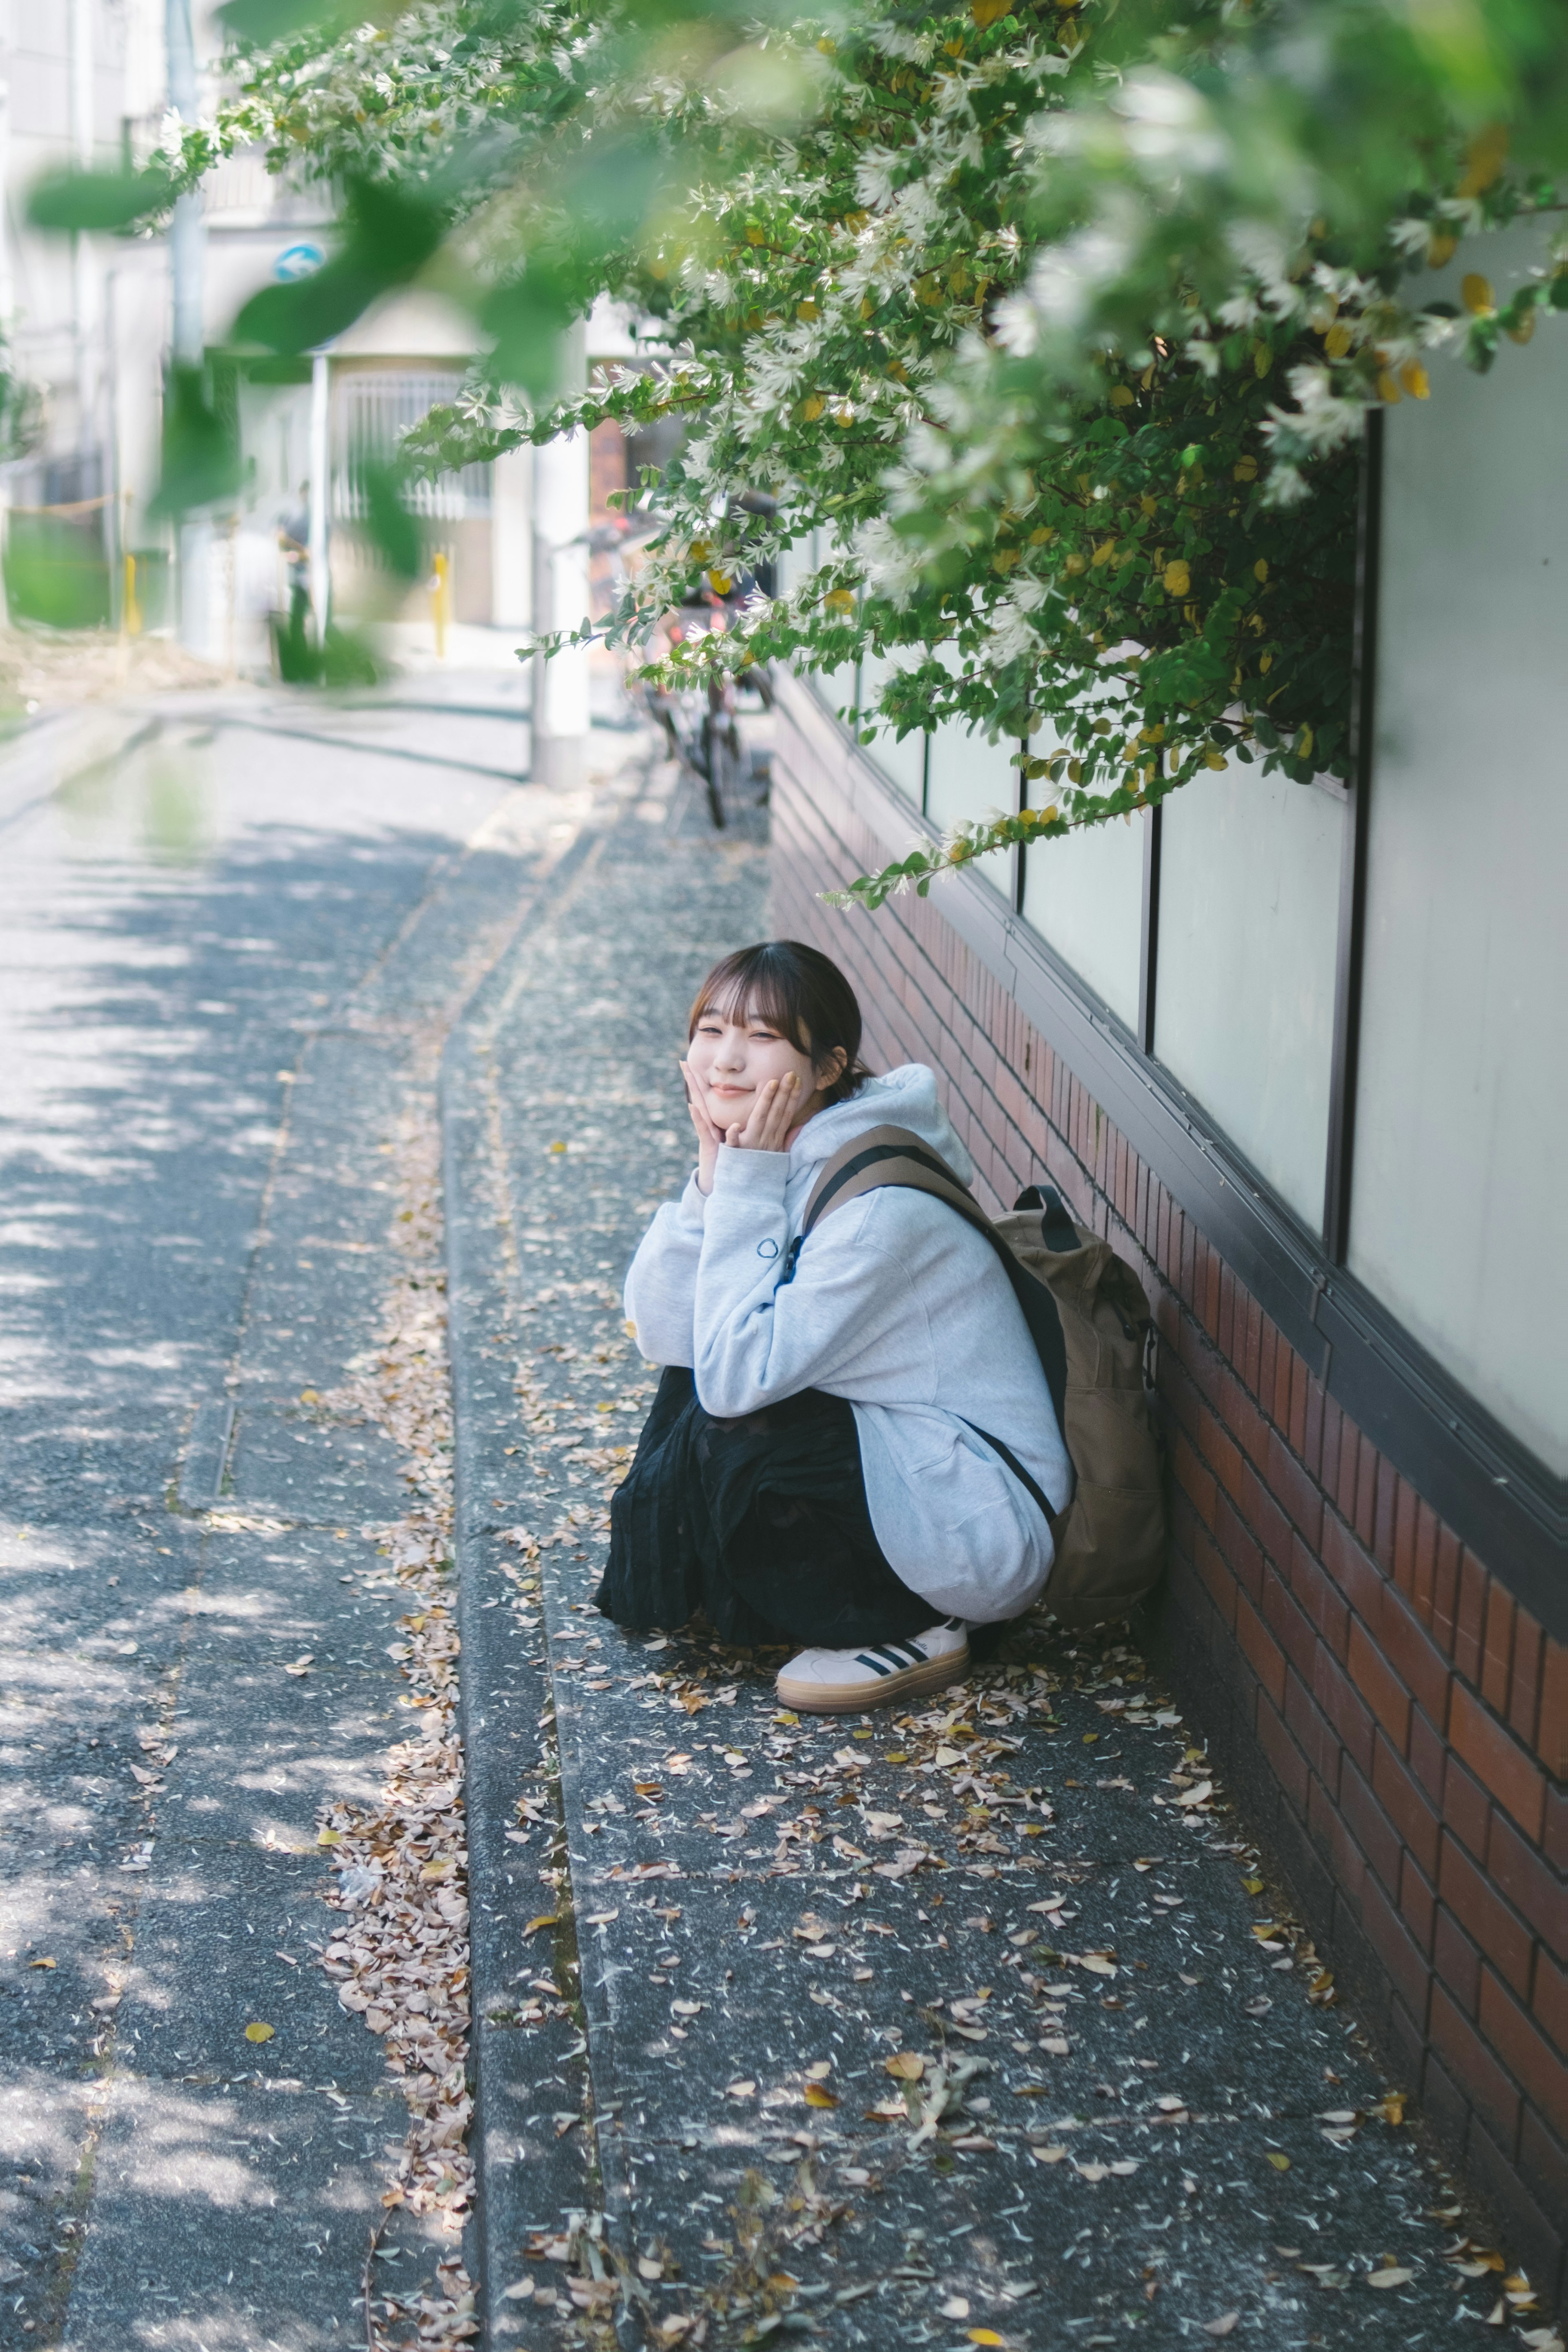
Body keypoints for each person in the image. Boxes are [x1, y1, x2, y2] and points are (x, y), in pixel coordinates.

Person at [596, 940, 1072, 1713]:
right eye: (712, 1030)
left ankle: (917, 1622)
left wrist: (744, 1184)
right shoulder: (782, 1152)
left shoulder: (877, 1214)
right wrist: (712, 1185)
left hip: (980, 1520)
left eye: (762, 1037)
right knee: (694, 1370)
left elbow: (732, 1380)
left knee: (733, 1422)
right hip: (908, 1453)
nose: (726, 1061)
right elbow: (665, 1332)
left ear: (826, 1069)